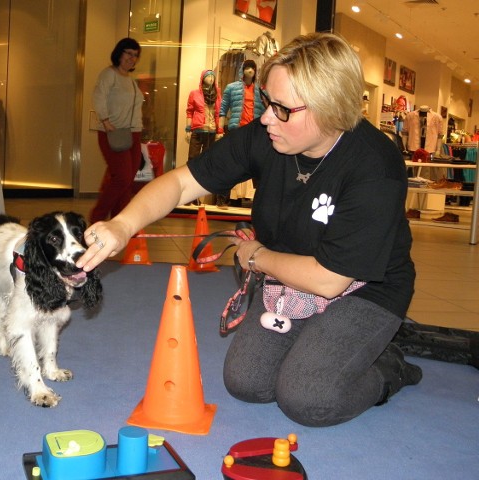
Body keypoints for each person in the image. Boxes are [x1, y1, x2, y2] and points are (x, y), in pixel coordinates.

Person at [77, 32, 421, 428]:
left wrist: (256, 256)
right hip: (290, 278)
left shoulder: (374, 165)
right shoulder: (266, 137)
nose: (265, 117)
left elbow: (329, 281)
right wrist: (123, 225)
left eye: (281, 108)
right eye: (266, 103)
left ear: (329, 109)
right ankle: (323, 339)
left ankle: (389, 366)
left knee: (307, 398)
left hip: (364, 289)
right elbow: (182, 183)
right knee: (247, 383)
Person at [90, 37, 144, 224]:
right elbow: (98, 96)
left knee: (128, 180)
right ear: (119, 53)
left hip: (133, 133)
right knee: (121, 178)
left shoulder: (131, 80)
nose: (132, 58)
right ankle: (97, 217)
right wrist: (105, 121)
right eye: (128, 53)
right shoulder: (109, 74)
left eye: (135, 55)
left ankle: (118, 222)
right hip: (113, 132)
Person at [219, 59, 265, 207]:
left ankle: (259, 199)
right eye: (248, 67)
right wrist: (220, 129)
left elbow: (266, 109)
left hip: (254, 131)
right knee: (232, 164)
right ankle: (224, 198)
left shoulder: (260, 90)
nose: (250, 70)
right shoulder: (232, 88)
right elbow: (223, 108)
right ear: (242, 70)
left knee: (257, 165)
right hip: (237, 130)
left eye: (253, 68)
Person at [185, 69, 223, 205]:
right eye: (208, 76)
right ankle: (189, 195)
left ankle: (199, 194)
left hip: (211, 132)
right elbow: (189, 111)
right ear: (203, 79)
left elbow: (219, 113)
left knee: (207, 164)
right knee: (193, 161)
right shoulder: (194, 94)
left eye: (213, 76)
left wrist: (220, 130)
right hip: (198, 130)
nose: (211, 78)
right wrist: (188, 129)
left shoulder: (217, 94)